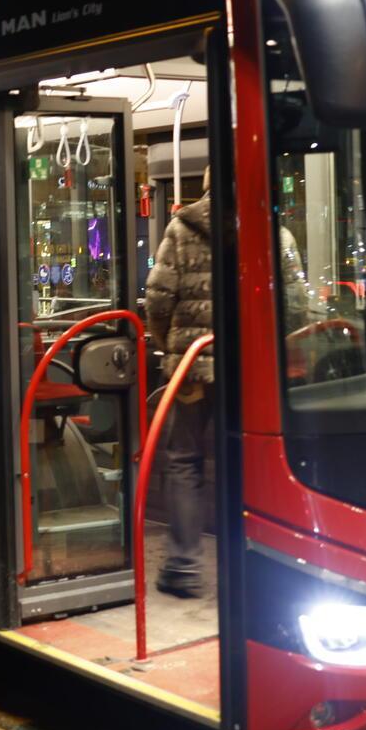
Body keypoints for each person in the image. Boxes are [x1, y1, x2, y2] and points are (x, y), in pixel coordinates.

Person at [144, 171, 214, 599]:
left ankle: (185, 566)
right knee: (245, 459)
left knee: (185, 460)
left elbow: (157, 298)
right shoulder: (269, 225)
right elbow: (295, 299)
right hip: (250, 369)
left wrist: (168, 346)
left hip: (192, 369)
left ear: (206, 186)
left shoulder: (182, 228)